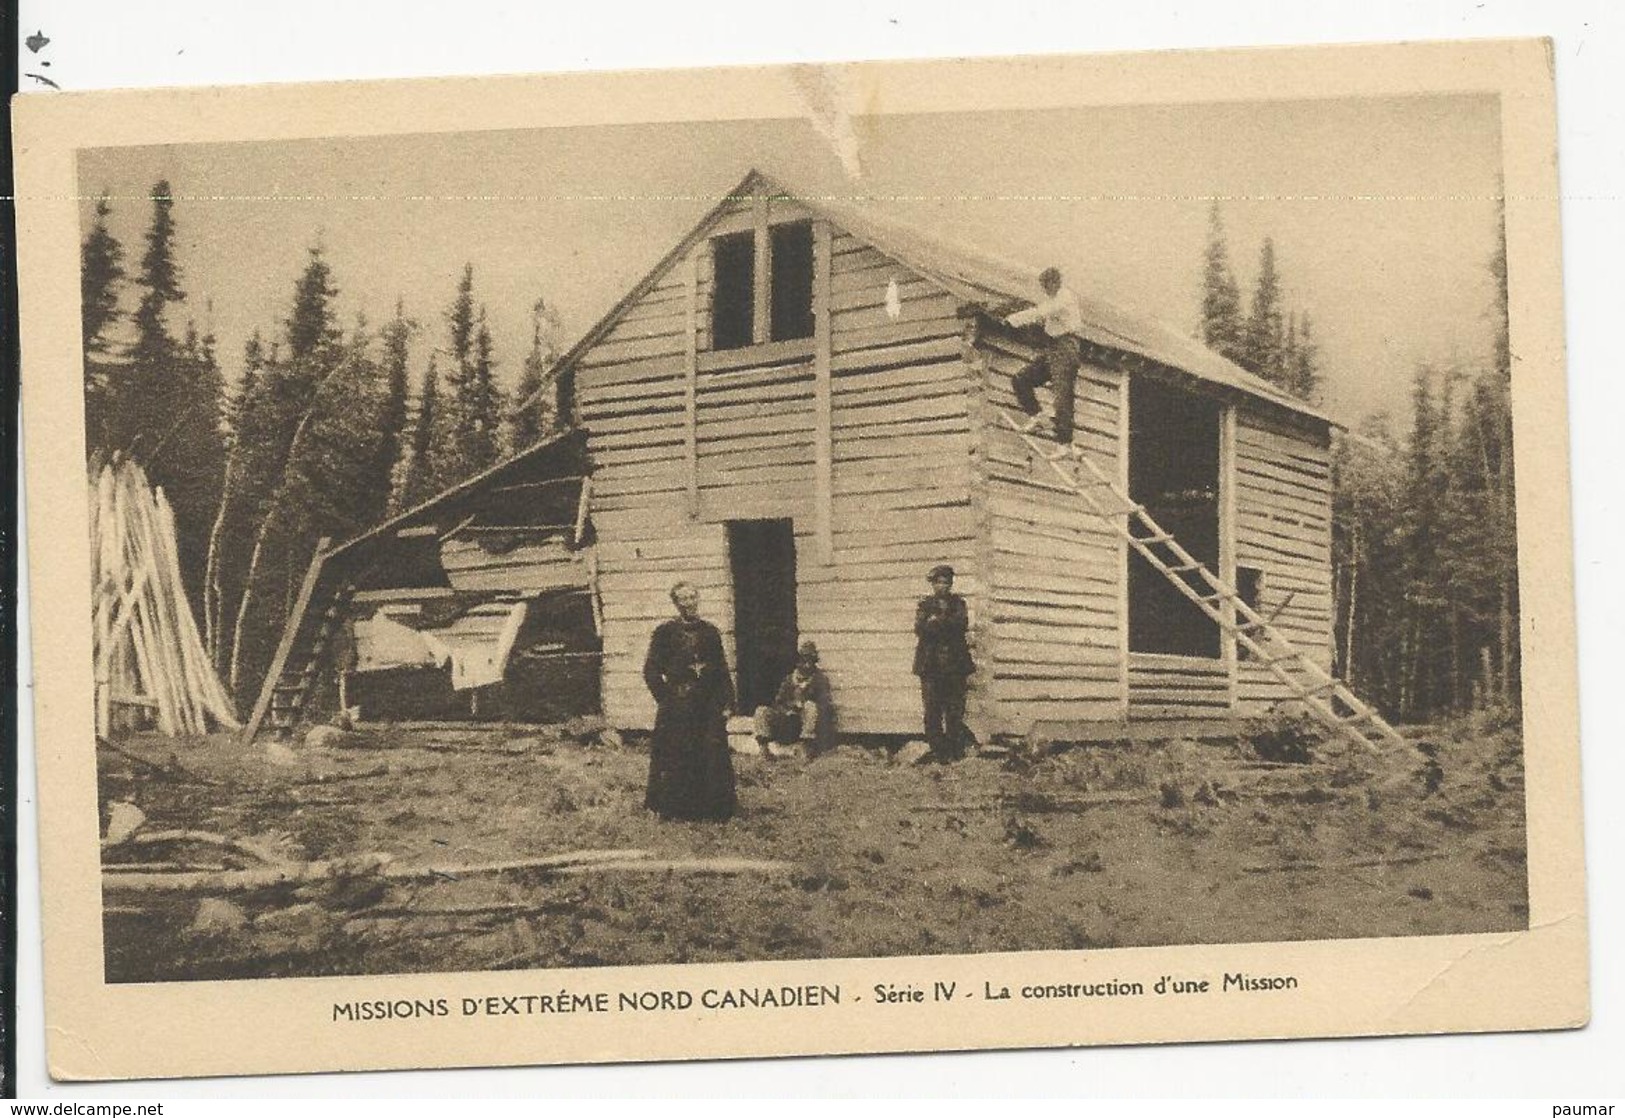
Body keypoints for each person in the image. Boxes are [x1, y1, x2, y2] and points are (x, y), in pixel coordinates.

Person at [642, 581, 737, 821]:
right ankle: (677, 809)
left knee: (711, 751)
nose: (689, 603)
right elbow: (651, 671)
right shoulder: (665, 633)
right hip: (678, 705)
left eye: (693, 597)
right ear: (676, 603)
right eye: (683, 599)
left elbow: (722, 670)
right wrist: (666, 699)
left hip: (707, 705)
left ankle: (715, 809)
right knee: (677, 753)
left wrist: (727, 702)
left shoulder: (710, 632)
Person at [1005, 266, 1086, 446]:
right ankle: (1038, 417)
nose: (1045, 291)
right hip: (1053, 348)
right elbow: (1043, 319)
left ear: (1055, 283)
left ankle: (1064, 442)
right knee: (1021, 379)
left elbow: (1042, 312)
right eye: (1043, 287)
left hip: (1066, 347)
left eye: (1046, 286)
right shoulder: (1054, 299)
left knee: (1061, 393)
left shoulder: (1065, 298)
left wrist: (1014, 319)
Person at [913, 564, 974, 761]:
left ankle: (955, 749)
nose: (943, 586)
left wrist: (937, 622)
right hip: (930, 665)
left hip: (955, 665)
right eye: (939, 582)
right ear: (933, 585)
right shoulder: (924, 605)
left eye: (947, 582)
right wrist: (941, 623)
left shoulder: (959, 604)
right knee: (932, 709)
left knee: (955, 708)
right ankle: (938, 750)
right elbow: (921, 628)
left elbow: (960, 625)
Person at [753, 640, 837, 757]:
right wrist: (788, 709)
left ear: (814, 663)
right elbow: (778, 702)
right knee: (761, 711)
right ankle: (764, 749)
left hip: (806, 725)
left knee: (810, 707)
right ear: (798, 662)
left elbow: (824, 705)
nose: (807, 665)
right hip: (788, 723)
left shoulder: (820, 680)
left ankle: (806, 747)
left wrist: (805, 705)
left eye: (810, 661)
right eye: (804, 661)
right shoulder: (789, 680)